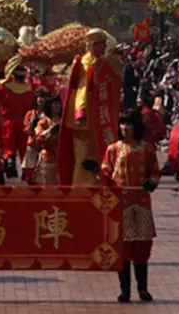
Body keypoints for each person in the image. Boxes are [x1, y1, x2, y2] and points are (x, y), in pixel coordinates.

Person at [92, 110, 160, 302]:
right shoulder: (113, 149)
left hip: (142, 203)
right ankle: (125, 290)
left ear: (136, 127)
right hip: (121, 204)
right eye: (122, 124)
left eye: (129, 124)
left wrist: (151, 182)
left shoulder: (147, 149)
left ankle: (143, 289)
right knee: (123, 248)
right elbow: (106, 175)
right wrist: (96, 170)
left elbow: (155, 172)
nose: (125, 128)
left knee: (142, 247)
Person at [58, 29, 120, 186]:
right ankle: (82, 191)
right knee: (84, 157)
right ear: (93, 45)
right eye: (102, 44)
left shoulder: (102, 61)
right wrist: (81, 114)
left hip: (100, 115)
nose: (105, 47)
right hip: (86, 121)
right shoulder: (87, 62)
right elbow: (82, 89)